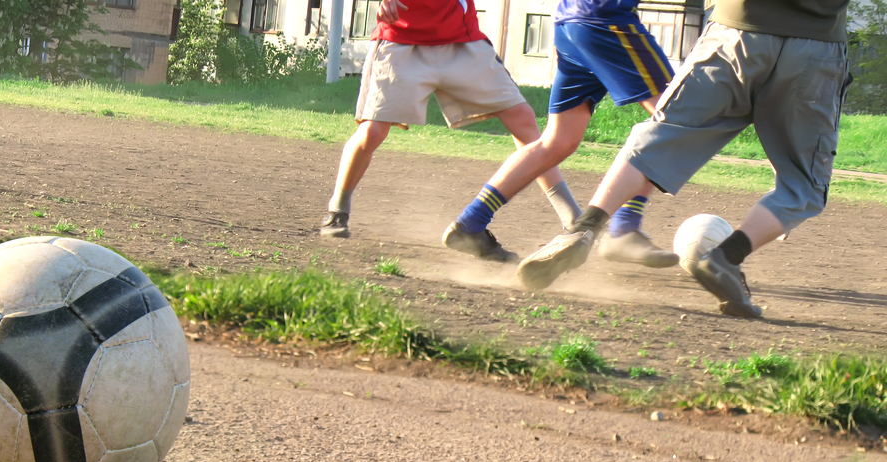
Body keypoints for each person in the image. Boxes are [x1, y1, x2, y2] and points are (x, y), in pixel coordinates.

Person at [515, 0, 852, 318]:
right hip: (816, 47)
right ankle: (725, 258)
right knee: (804, 185)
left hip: (734, 33)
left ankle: (583, 229)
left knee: (661, 134)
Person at [319, 0, 582, 262]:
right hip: (401, 40)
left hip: (462, 41)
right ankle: (338, 210)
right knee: (372, 132)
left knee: (522, 118)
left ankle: (573, 219)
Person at [443, 0, 680, 269]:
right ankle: (624, 227)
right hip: (608, 20)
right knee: (676, 121)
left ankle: (471, 222)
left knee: (558, 140)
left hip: (569, 23)